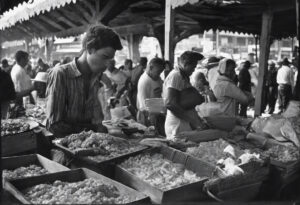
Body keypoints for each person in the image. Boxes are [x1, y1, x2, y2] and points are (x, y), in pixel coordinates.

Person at [46, 25, 123, 137]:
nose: (107, 64)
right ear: (90, 49)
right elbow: (54, 126)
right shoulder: (61, 74)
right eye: (104, 57)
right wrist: (94, 129)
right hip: (64, 147)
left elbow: (96, 117)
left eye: (110, 59)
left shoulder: (97, 77)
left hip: (90, 144)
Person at [163, 51, 205, 140]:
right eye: (193, 67)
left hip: (182, 123)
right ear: (185, 64)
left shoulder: (183, 76)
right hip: (177, 125)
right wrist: (192, 120)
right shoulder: (176, 76)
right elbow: (170, 103)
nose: (194, 70)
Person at [137, 58, 165, 131]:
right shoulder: (144, 81)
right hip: (147, 116)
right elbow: (143, 106)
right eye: (158, 72)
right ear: (151, 68)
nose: (159, 74)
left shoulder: (157, 78)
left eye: (161, 72)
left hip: (156, 114)